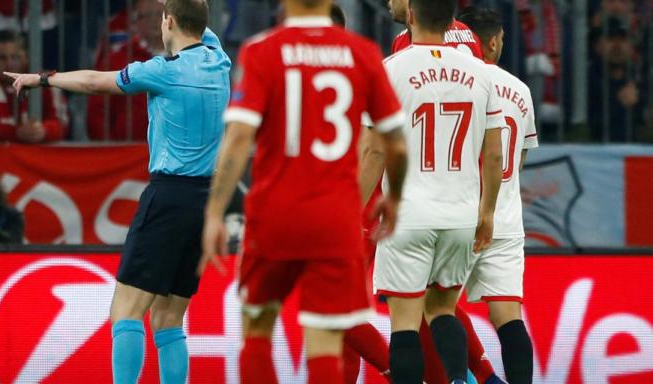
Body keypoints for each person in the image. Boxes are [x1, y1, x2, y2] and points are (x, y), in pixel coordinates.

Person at [6, 1, 231, 382]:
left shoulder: (163, 70)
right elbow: (195, 18)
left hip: (168, 196)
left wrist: (41, 79)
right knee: (169, 318)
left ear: (169, 20)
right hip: (205, 203)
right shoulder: (220, 60)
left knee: (126, 311)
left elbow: (95, 82)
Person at [201, 0, 408, 382]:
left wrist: (215, 213)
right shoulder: (363, 55)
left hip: (274, 216)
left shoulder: (262, 50)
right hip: (335, 220)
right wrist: (393, 198)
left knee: (258, 331)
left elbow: (239, 137)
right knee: (326, 341)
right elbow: (395, 143)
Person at [362, 1, 507, 382]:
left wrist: (352, 210)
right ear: (452, 21)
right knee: (443, 311)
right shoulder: (482, 74)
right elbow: (494, 153)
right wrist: (488, 213)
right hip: (460, 215)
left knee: (405, 324)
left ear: (411, 16)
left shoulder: (391, 70)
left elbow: (375, 150)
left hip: (408, 215)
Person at [459, 7, 538, 383]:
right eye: (502, 39)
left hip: (456, 215)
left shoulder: (457, 82)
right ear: (492, 41)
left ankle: (478, 379)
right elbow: (517, 160)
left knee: (434, 309)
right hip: (503, 219)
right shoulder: (520, 90)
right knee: (508, 317)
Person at [0, 31, 68, 143]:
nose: (9, 64)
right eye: (2, 58)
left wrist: (43, 131)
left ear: (26, 57)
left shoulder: (46, 80)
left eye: (15, 57)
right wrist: (16, 132)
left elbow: (62, 123)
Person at [88, 0, 165, 141]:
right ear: (135, 23)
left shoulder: (187, 58)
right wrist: (111, 149)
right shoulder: (117, 60)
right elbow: (97, 111)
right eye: (146, 16)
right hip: (128, 152)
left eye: (160, 14)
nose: (154, 21)